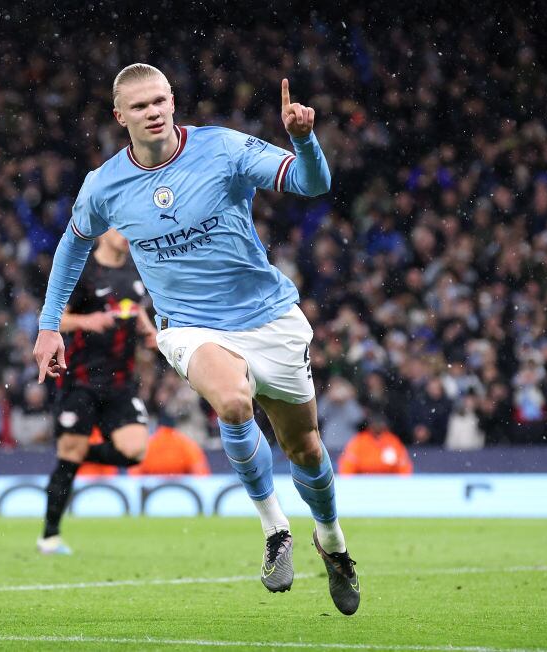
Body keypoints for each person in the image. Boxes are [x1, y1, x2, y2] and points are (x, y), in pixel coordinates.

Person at [32, 64, 360, 615]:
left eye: (160, 100)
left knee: (304, 447)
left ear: (173, 101)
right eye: (140, 106)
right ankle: (275, 529)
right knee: (232, 402)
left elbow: (313, 184)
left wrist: (304, 141)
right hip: (190, 325)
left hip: (269, 316)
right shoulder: (105, 185)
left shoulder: (223, 148)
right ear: (120, 117)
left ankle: (332, 543)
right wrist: (48, 324)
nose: (153, 111)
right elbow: (72, 246)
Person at [37, 228, 156, 556]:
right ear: (102, 234)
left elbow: (134, 305)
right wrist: (88, 321)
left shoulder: (137, 267)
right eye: (119, 228)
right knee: (70, 458)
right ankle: (49, 536)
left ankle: (72, 452)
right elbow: (54, 320)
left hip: (121, 382)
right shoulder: (83, 271)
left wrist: (147, 327)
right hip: (80, 380)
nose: (126, 235)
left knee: (134, 451)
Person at [129, 420, 211, 476]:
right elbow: (201, 474)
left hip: (151, 495)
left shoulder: (149, 445)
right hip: (182, 495)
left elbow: (135, 475)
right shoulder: (186, 444)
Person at [338, 413, 412, 475]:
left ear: (385, 425)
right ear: (370, 425)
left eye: (380, 423)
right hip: (363, 483)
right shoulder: (359, 441)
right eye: (375, 423)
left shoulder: (393, 441)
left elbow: (404, 467)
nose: (377, 426)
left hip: (388, 484)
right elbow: (347, 466)